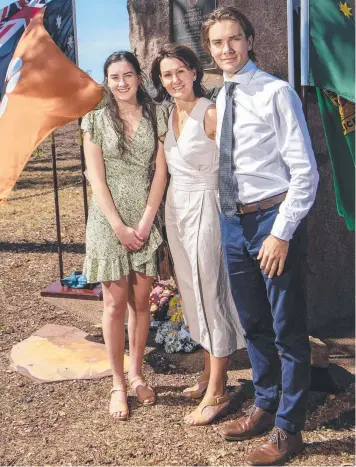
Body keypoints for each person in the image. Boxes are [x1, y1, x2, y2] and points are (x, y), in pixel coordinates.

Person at [201, 7, 319, 465]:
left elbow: (305, 172)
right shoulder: (224, 96)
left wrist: (282, 234)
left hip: (273, 223)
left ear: (249, 41)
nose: (225, 49)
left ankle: (290, 429)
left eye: (233, 39)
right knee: (253, 324)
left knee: (287, 329)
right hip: (233, 222)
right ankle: (265, 405)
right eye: (216, 43)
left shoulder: (275, 92)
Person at [151, 44, 245, 426]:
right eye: (166, 75)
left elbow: (234, 165)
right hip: (176, 209)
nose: (174, 80)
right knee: (190, 294)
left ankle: (219, 388)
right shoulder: (168, 113)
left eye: (180, 72)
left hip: (207, 206)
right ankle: (208, 373)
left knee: (210, 292)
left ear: (193, 72)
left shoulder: (211, 112)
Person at [81, 51, 168, 420]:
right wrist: (118, 225)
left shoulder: (157, 115)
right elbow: (95, 178)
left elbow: (161, 172)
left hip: (145, 217)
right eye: (114, 76)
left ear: (138, 78)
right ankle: (117, 383)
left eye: (128, 75)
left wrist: (147, 221)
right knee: (115, 305)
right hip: (108, 221)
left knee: (142, 303)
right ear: (106, 81)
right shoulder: (95, 120)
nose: (121, 83)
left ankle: (136, 374)